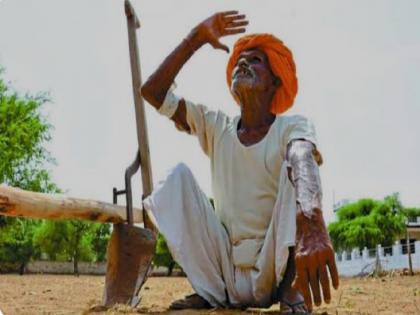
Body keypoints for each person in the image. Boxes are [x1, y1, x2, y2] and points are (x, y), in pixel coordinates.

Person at [141, 11, 339, 314]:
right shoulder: (215, 125)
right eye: (239, 61)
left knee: (298, 166)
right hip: (226, 271)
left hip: (274, 269)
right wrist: (194, 39)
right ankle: (210, 291)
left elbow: (302, 156)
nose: (242, 63)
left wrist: (312, 221)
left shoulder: (291, 127)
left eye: (255, 60)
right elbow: (152, 92)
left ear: (274, 81)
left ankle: (291, 291)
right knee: (175, 178)